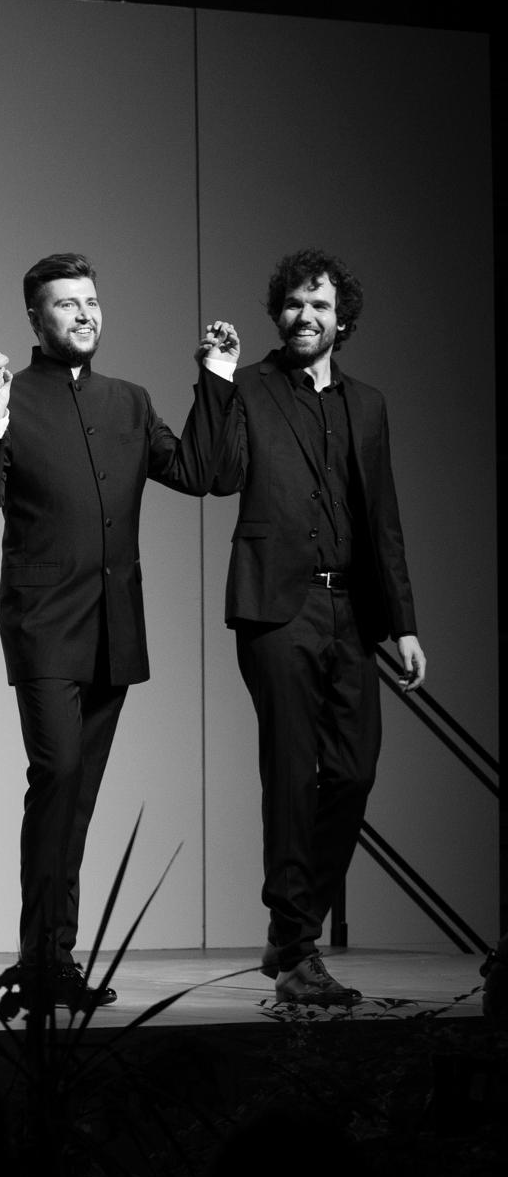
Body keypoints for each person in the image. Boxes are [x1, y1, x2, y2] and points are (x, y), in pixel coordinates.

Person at [0, 254, 228, 1014]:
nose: (84, 315)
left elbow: (205, 471)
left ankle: (55, 958)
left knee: (77, 798)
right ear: (36, 320)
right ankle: (40, 957)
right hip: (42, 626)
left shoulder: (131, 401)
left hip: (114, 628)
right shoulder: (15, 399)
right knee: (58, 776)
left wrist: (217, 377)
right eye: (66, 304)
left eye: (92, 303)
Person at [202, 250, 425, 1007]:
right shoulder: (253, 387)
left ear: (343, 320)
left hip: (351, 610)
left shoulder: (367, 404)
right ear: (279, 312)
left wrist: (405, 623)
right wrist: (217, 380)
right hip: (277, 607)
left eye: (321, 306)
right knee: (294, 776)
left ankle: (292, 923)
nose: (307, 316)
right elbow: (221, 472)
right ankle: (298, 947)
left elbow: (383, 520)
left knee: (355, 772)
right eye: (296, 304)